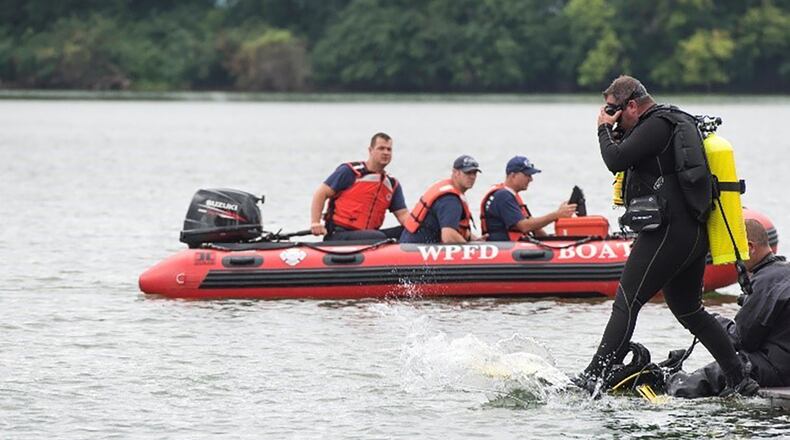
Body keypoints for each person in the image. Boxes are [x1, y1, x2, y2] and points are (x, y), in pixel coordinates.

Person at [573, 75, 758, 397]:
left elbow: (615, 160)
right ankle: (739, 379)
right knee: (689, 310)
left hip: (670, 232)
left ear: (631, 104)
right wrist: (615, 129)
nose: (610, 115)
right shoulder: (664, 123)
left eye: (613, 110)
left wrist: (602, 129)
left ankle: (594, 376)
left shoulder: (656, 125)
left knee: (627, 301)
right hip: (690, 233)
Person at [666, 219, 790, 397]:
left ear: (750, 247)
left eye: (733, 254)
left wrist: (709, 322)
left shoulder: (766, 281)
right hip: (781, 360)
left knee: (724, 369)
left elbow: (742, 339)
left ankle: (670, 387)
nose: (732, 262)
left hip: (780, 368)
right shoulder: (780, 274)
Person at [310, 132, 408, 241]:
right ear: (370, 150)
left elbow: (403, 214)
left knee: (406, 231)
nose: (385, 153)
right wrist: (315, 222)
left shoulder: (392, 184)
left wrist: (420, 228)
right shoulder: (350, 171)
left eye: (389, 149)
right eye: (381, 148)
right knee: (378, 237)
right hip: (340, 234)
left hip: (369, 235)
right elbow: (321, 193)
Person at [480, 155, 576, 241]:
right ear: (513, 176)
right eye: (527, 175)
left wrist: (551, 240)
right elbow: (524, 226)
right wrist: (556, 215)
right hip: (504, 247)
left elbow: (533, 227)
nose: (531, 179)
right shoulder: (503, 196)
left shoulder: (510, 195)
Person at [399, 155, 480, 244]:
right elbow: (448, 236)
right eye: (468, 173)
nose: (472, 177)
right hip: (415, 249)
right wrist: (471, 251)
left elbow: (455, 229)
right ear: (455, 172)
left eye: (474, 173)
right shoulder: (450, 200)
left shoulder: (451, 194)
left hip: (411, 243)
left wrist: (476, 241)